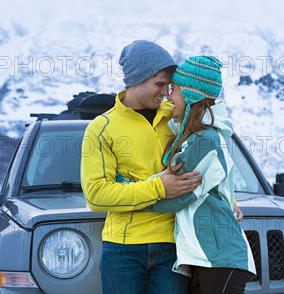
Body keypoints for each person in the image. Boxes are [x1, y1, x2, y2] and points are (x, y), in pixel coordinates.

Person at [81, 40, 202, 294]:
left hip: (173, 245)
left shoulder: (176, 117)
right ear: (136, 79)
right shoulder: (101, 128)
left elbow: (209, 157)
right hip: (123, 249)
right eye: (159, 84)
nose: (166, 92)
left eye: (169, 86)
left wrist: (229, 200)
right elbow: (97, 195)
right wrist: (159, 187)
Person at [145, 55, 256, 294]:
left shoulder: (205, 140)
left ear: (190, 95)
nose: (168, 96)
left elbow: (179, 195)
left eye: (174, 89)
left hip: (221, 258)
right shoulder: (201, 137)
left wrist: (130, 195)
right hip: (208, 258)